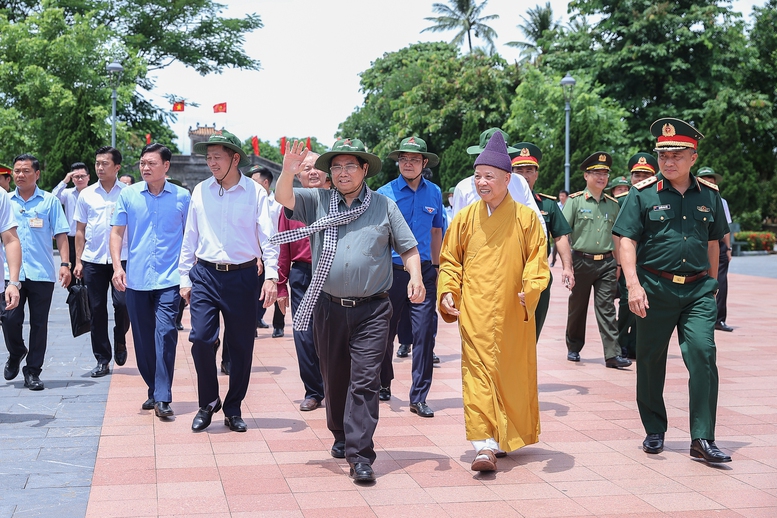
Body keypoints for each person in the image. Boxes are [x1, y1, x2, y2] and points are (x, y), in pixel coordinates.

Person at [273, 138, 423, 483]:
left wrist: (415, 276)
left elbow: (409, 247)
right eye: (336, 167)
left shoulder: (384, 206)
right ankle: (341, 433)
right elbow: (285, 198)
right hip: (328, 308)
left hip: (372, 310)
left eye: (350, 166)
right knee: (336, 379)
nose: (342, 173)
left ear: (364, 169)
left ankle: (360, 454)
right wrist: (286, 171)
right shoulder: (319, 200)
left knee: (366, 380)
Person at [613, 117, 732, 463]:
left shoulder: (709, 195)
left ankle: (702, 438)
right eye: (663, 155)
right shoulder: (642, 194)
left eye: (677, 155)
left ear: (693, 157)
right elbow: (627, 241)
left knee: (703, 355)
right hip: (653, 289)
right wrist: (632, 285)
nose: (668, 162)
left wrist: (710, 286)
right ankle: (654, 428)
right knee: (650, 361)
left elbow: (714, 244)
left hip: (697, 292)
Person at [438, 131, 549, 472]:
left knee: (508, 373)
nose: (482, 182)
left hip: (512, 311)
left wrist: (530, 289)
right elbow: (450, 259)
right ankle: (483, 443)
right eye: (478, 176)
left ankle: (504, 436)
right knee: (477, 373)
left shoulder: (526, 218)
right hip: (474, 310)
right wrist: (447, 290)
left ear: (507, 179)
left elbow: (537, 262)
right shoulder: (466, 217)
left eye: (489, 176)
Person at [179, 130, 278, 433]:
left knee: (240, 347)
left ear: (235, 159)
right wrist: (184, 276)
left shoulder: (255, 193)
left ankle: (233, 407)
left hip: (244, 276)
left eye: (217, 157)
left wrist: (271, 275)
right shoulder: (200, 191)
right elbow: (190, 236)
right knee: (200, 339)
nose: (211, 163)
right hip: (206, 275)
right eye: (208, 157)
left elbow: (269, 239)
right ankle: (208, 402)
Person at [111, 143, 190, 418]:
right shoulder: (128, 196)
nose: (145, 167)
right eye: (143, 163)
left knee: (166, 333)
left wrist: (188, 275)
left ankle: (163, 397)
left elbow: (191, 238)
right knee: (143, 340)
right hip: (136, 280)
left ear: (166, 166)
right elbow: (117, 233)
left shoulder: (182, 197)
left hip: (170, 279)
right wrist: (117, 266)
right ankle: (154, 389)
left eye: (151, 163)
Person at [377, 136, 444, 417]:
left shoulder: (435, 193)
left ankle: (419, 396)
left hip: (426, 272)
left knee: (424, 334)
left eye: (414, 159)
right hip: (391, 273)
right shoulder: (384, 193)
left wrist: (439, 268)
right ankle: (383, 382)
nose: (408, 163)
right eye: (403, 159)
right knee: (383, 334)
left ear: (424, 163)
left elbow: (437, 230)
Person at [2, 154, 71, 390]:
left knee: (39, 324)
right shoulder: (5, 201)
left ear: (37, 174)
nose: (20, 175)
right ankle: (16, 351)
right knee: (9, 319)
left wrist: (65, 264)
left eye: (25, 171)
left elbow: (61, 233)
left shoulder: (50, 201)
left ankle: (33, 371)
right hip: (11, 275)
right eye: (17, 171)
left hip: (41, 272)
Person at [563, 152, 630, 369]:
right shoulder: (574, 202)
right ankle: (573, 347)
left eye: (605, 173)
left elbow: (617, 237)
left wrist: (619, 264)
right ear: (586, 176)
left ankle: (612, 354)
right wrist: (567, 266)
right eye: (596, 173)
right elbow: (562, 234)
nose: (601, 177)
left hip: (607, 264)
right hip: (581, 261)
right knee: (578, 307)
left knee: (607, 307)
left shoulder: (613, 204)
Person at [276, 151, 326, 411]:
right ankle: (313, 391)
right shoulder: (290, 204)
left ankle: (335, 385)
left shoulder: (338, 200)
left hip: (333, 274)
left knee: (332, 333)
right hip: (302, 275)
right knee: (304, 335)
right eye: (306, 169)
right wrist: (280, 285)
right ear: (298, 174)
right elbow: (283, 247)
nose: (313, 172)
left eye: (317, 167)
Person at [73, 147, 130, 377]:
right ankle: (102, 359)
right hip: (93, 260)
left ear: (117, 167)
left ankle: (120, 338)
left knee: (123, 304)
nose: (99, 167)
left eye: (105, 163)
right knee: (96, 310)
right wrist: (77, 261)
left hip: (122, 258)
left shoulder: (128, 193)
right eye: (97, 163)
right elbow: (79, 230)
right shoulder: (86, 194)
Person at [510, 142, 574, 340]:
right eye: (519, 170)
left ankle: (525, 369)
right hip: (510, 274)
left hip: (539, 273)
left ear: (536, 174)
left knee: (533, 330)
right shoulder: (502, 203)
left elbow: (561, 235)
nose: (524, 175)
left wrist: (567, 267)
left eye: (529, 170)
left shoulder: (547, 204)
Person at [451, 128, 546, 235]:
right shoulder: (463, 188)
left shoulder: (519, 182)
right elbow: (456, 230)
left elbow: (536, 221)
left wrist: (539, 249)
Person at [614, 153, 658, 359]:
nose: (641, 179)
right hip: (628, 262)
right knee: (625, 303)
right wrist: (618, 263)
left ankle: (635, 345)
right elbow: (616, 234)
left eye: (645, 174)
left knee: (646, 304)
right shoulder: (621, 200)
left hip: (650, 262)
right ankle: (621, 341)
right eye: (637, 175)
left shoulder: (658, 196)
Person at [696, 167, 735, 332]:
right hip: (698, 245)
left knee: (720, 282)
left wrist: (728, 248)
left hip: (717, 245)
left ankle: (719, 319)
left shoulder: (720, 201)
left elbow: (726, 227)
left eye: (711, 182)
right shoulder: (691, 198)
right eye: (705, 181)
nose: (708, 184)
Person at [249, 165, 285, 338]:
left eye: (254, 181)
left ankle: (278, 325)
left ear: (266, 182)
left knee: (279, 287)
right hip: (257, 253)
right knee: (254, 289)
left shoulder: (278, 203)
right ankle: (254, 320)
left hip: (278, 252)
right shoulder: (250, 200)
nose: (250, 184)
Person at [52, 163, 91, 285]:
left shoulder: (94, 193)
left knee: (89, 275)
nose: (80, 179)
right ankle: (75, 300)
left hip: (90, 239)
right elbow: (53, 198)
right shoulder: (68, 193)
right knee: (72, 275)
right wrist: (65, 181)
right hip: (71, 239)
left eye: (82, 176)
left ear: (88, 177)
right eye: (76, 176)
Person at [550, 189, 570, 267]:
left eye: (563, 196)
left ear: (567, 197)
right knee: (556, 246)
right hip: (559, 230)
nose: (561, 197)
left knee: (568, 246)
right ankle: (553, 260)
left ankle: (568, 263)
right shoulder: (557, 205)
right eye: (560, 195)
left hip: (568, 229)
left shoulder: (569, 205)